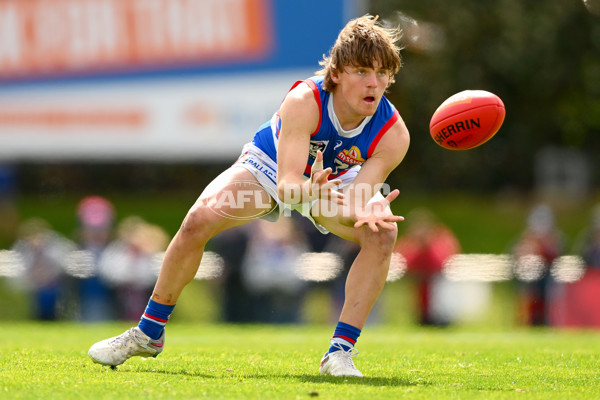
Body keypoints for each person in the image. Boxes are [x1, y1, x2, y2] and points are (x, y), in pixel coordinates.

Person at [88, 14, 409, 377]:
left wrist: (369, 209)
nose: (374, 82)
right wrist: (309, 190)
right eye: (363, 71)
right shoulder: (305, 100)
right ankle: (148, 333)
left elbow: (354, 201)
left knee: (383, 233)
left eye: (383, 74)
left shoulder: (393, 134)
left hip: (329, 185)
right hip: (271, 168)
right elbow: (288, 185)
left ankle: (340, 352)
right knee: (198, 221)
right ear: (336, 73)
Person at [394, 208, 461, 326]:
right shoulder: (409, 243)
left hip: (440, 286)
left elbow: (443, 262)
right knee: (423, 316)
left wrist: (427, 247)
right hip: (420, 291)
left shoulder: (442, 239)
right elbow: (403, 263)